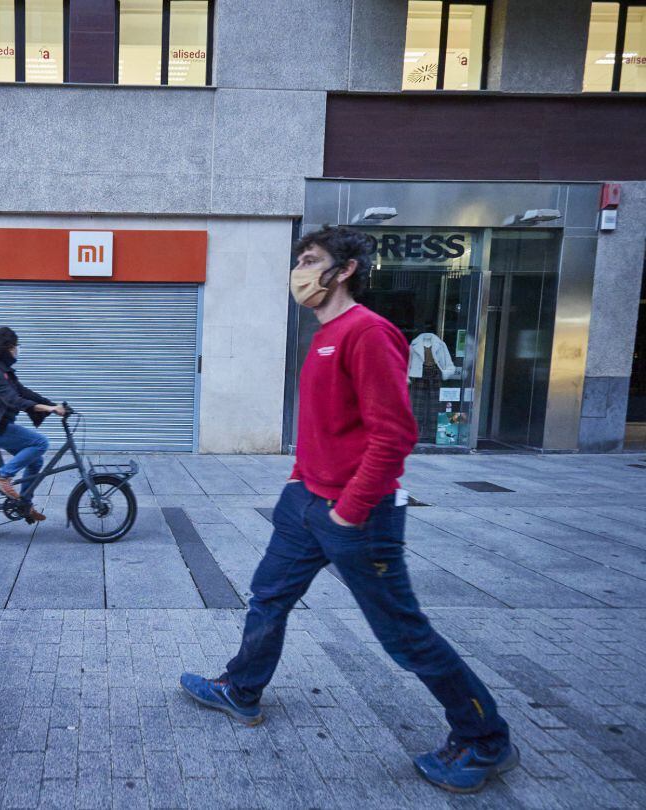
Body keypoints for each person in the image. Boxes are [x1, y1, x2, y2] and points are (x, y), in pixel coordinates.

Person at [179, 226, 516, 795]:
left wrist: (349, 511)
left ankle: (485, 738)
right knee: (269, 596)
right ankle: (242, 690)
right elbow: (324, 427)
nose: (300, 272)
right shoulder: (326, 335)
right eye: (299, 262)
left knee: (403, 634)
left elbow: (395, 435)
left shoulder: (369, 333)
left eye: (311, 260)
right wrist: (298, 483)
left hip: (357, 514)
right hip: (305, 502)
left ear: (346, 269)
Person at [0, 326, 65, 521]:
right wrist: (48, 409)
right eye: (15, 346)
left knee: (36, 460)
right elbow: (13, 400)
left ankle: (24, 504)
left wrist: (54, 405)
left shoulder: (3, 371)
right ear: (6, 348)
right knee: (40, 443)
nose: (17, 350)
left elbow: (25, 393)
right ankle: (3, 476)